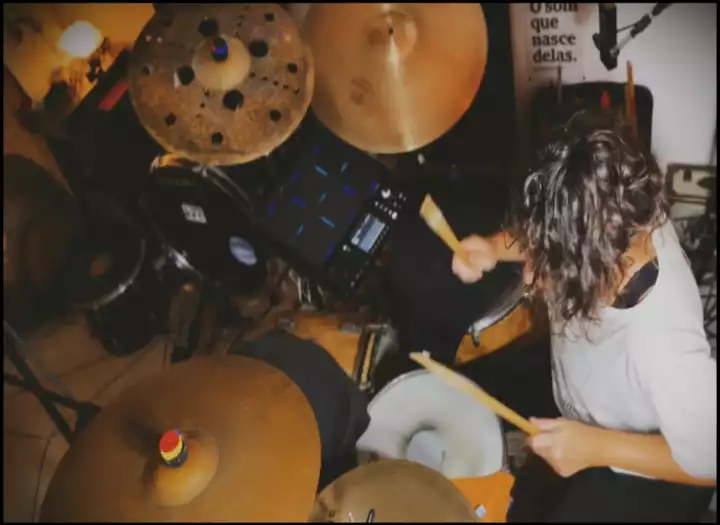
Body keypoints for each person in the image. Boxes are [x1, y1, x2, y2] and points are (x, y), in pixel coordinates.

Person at [392, 110, 717, 521]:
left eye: (548, 265)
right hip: (578, 391)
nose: (529, 275)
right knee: (457, 391)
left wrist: (596, 448)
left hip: (640, 467)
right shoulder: (617, 209)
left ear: (598, 268)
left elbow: (709, 458)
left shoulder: (664, 345)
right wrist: (493, 247)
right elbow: (550, 229)